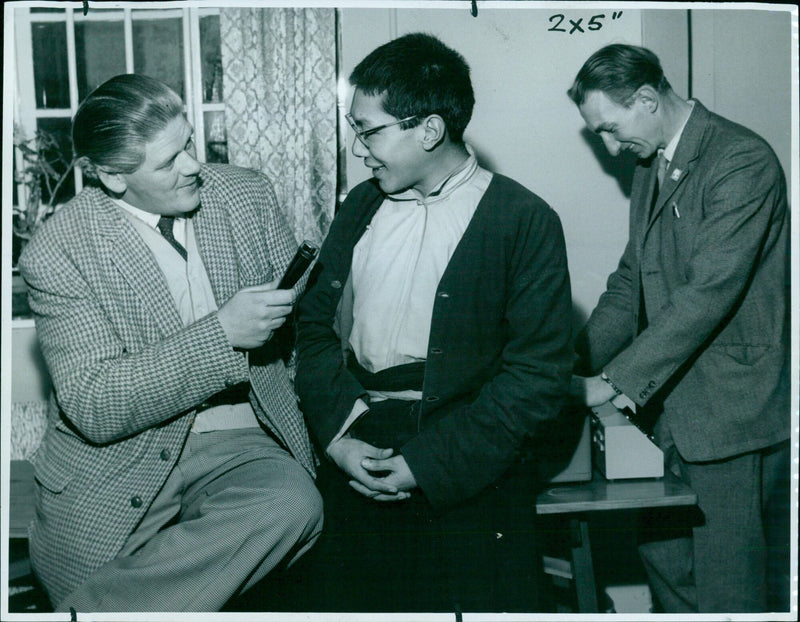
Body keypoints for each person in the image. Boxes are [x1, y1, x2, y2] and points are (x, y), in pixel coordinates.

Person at [17, 74, 323, 613]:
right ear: (112, 178)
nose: (193, 166)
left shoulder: (247, 194)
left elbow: (310, 331)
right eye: (168, 162)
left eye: (188, 144)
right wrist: (222, 334)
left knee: (294, 505)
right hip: (112, 458)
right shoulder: (57, 249)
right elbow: (95, 404)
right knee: (95, 569)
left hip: (241, 435)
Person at [292, 32, 573, 613]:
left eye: (368, 131)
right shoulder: (358, 209)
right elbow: (312, 328)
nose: (357, 149)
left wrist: (428, 465)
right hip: (357, 444)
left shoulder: (524, 220)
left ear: (428, 129)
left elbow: (537, 378)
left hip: (471, 461)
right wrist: (340, 437)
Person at [566, 44, 790, 613]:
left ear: (646, 98)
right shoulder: (652, 167)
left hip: (731, 416)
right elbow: (628, 284)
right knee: (665, 565)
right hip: (667, 411)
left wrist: (610, 381)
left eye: (612, 130)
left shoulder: (741, 159)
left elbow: (707, 295)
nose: (613, 148)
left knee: (725, 587)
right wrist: (565, 363)